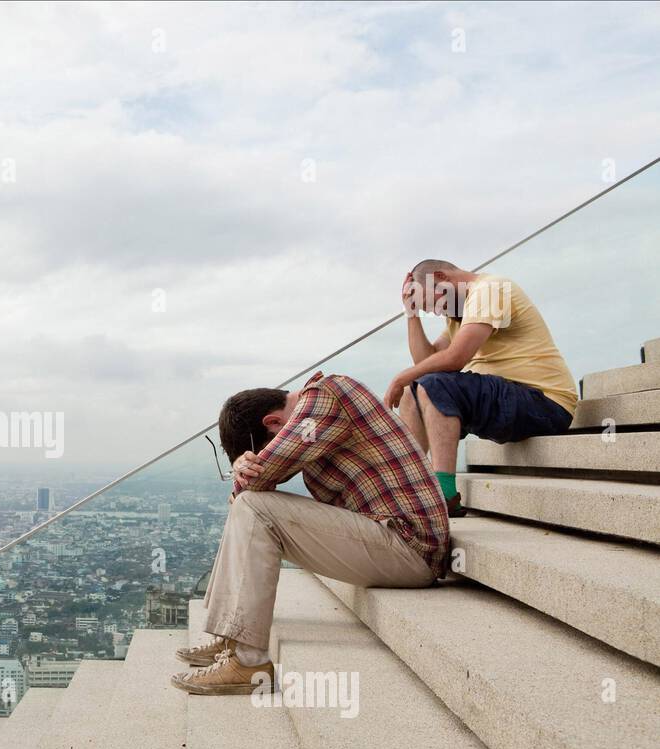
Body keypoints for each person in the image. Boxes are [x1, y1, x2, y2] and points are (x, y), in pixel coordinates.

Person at [171, 372, 449, 695]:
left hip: (411, 546)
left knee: (252, 506)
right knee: (248, 505)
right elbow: (254, 485)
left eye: (263, 446)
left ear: (273, 422)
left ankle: (248, 662)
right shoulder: (317, 423)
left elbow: (260, 476)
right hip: (390, 539)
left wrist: (246, 469)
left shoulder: (326, 395)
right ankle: (230, 637)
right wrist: (245, 474)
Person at [386, 260, 577, 516]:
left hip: (544, 403)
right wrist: (411, 315)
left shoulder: (490, 289)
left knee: (432, 384)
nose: (436, 311)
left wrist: (399, 378)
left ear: (441, 277)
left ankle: (444, 495)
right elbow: (426, 363)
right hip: (509, 400)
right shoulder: (459, 316)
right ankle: (415, 492)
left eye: (433, 303)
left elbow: (455, 359)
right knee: (413, 391)